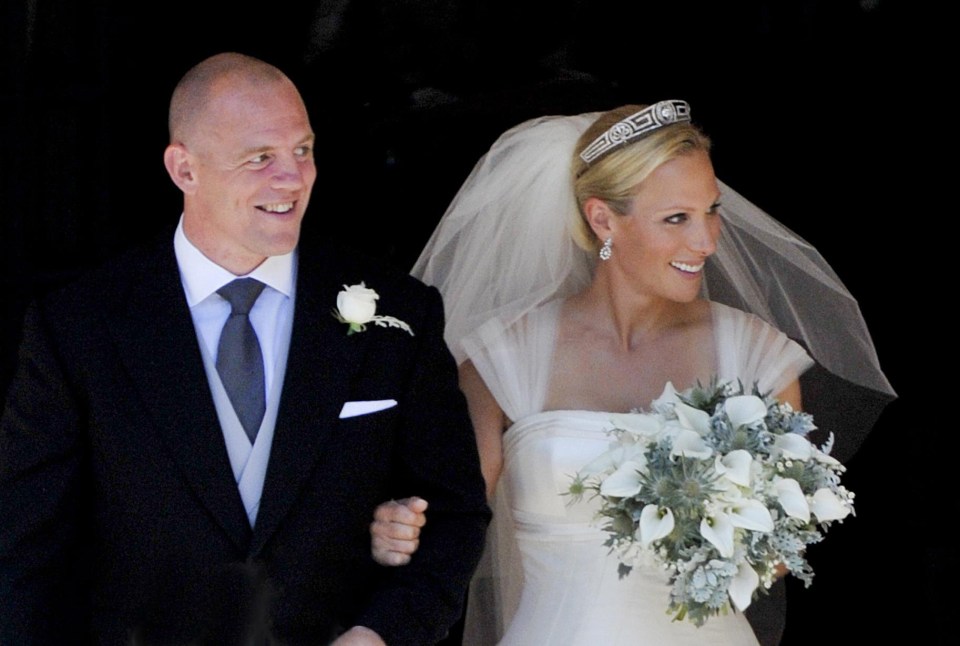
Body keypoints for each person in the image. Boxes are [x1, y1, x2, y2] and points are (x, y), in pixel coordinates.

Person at [0, 52, 490, 645]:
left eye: (302, 150)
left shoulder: (400, 313)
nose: (293, 178)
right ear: (185, 169)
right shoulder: (79, 328)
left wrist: (381, 634)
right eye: (260, 159)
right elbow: (24, 548)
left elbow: (454, 512)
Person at [370, 102, 895, 644]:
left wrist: (728, 524)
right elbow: (453, 517)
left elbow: (779, 555)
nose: (707, 242)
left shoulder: (756, 354)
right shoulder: (505, 357)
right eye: (677, 219)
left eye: (711, 210)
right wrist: (399, 526)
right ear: (602, 219)